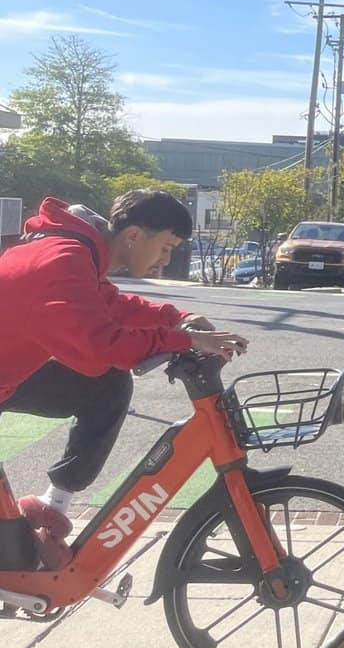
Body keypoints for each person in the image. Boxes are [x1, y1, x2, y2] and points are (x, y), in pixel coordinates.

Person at [0, 191, 248, 555]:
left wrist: (179, 319)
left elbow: (110, 305)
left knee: (106, 386)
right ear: (133, 236)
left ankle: (52, 506)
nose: (165, 260)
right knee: (15, 559)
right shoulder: (62, 259)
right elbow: (103, 346)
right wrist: (183, 339)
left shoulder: (77, 254)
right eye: (165, 247)